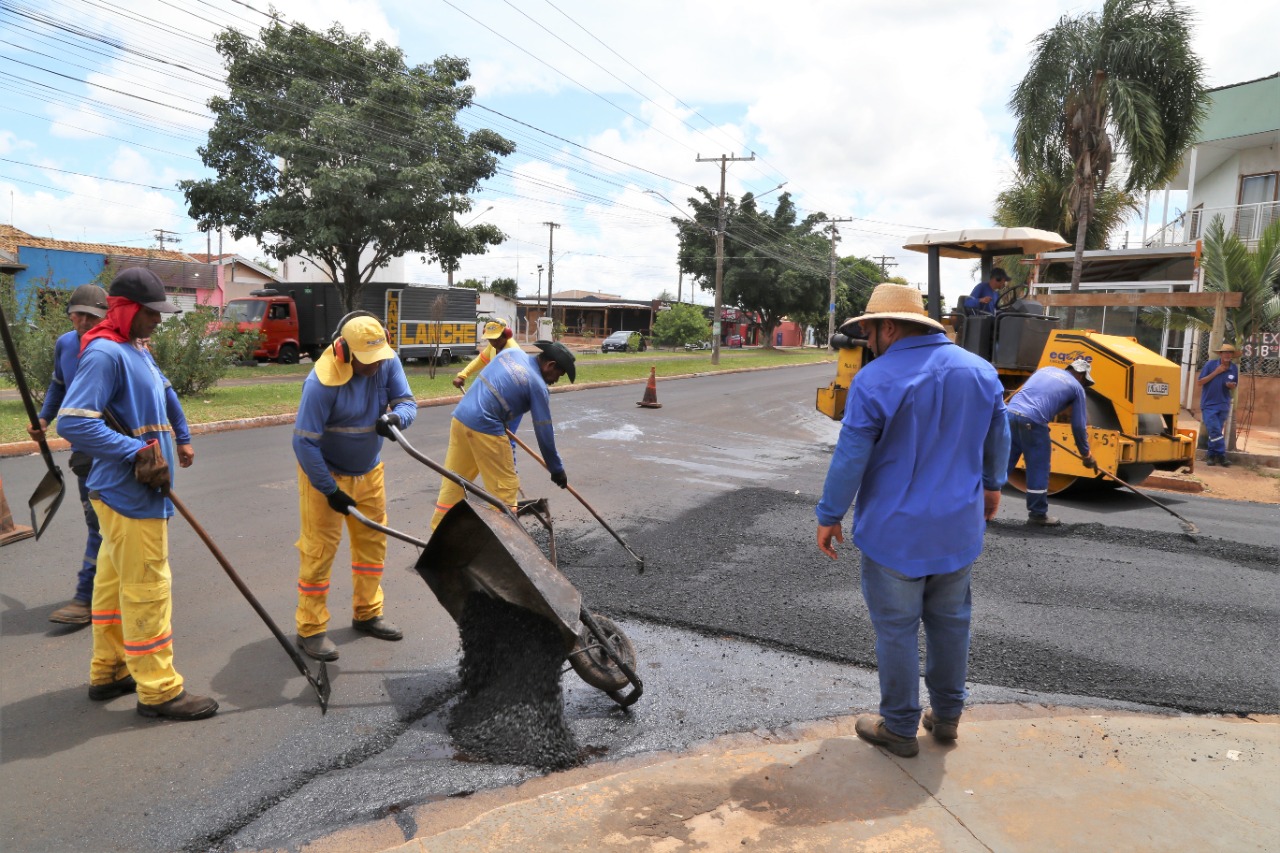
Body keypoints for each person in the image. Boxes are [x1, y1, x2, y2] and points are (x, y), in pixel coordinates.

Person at [815, 283, 1010, 758]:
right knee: (951, 622)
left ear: (885, 326)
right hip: (957, 529)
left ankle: (899, 727)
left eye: (868, 331)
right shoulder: (981, 371)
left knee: (897, 629)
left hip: (895, 533)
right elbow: (998, 435)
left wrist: (830, 514)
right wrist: (992, 485)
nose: (868, 340)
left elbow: (851, 454)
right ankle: (946, 717)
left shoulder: (876, 379)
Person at [57, 268, 216, 721]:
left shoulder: (135, 349)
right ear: (126, 310)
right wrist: (136, 451)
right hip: (130, 492)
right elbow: (73, 422)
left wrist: (178, 437)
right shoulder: (106, 354)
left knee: (110, 586)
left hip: (125, 490)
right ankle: (159, 689)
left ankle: (109, 671)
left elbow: (163, 397)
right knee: (149, 588)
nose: (159, 321)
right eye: (151, 313)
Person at [292, 313, 418, 662]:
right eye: (366, 361)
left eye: (378, 359)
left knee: (372, 545)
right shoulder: (321, 382)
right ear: (345, 351)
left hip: (369, 471)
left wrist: (397, 419)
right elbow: (304, 443)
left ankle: (367, 613)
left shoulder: (385, 362)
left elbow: (408, 402)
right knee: (319, 552)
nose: (374, 368)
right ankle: (311, 629)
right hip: (324, 475)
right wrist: (328, 490)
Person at [27, 284, 108, 624]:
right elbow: (59, 385)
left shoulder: (112, 347)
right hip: (85, 451)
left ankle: (88, 596)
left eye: (91, 315)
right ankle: (93, 594)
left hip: (117, 445)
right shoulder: (65, 344)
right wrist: (44, 417)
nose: (83, 321)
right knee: (98, 521)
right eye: (78, 314)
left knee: (108, 524)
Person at [430, 341, 574, 531]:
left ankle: (439, 535)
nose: (557, 379)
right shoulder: (538, 386)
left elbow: (496, 388)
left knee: (454, 481)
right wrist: (557, 469)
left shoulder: (512, 353)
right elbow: (544, 432)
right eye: (559, 374)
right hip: (485, 428)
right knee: (505, 489)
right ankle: (505, 543)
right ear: (551, 365)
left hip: (461, 418)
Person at [1005, 360, 1098, 526]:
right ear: (1081, 375)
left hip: (1010, 414)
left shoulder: (1045, 370)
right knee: (1038, 467)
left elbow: (1034, 397)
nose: (1083, 384)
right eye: (1084, 381)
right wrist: (1086, 455)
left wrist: (1039, 424)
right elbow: (1078, 426)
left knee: (1003, 464)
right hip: (1032, 421)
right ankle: (1038, 513)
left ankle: (978, 504)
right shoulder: (1077, 387)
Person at [1197, 342, 1239, 467]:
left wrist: (1231, 386)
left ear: (1232, 355)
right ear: (1220, 354)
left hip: (1223, 404)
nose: (1227, 355)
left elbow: (1234, 384)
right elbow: (1200, 382)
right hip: (1209, 404)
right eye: (1225, 352)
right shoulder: (1210, 365)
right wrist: (1216, 372)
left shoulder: (1234, 368)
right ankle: (1221, 455)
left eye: (1230, 353)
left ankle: (1211, 455)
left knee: (1215, 431)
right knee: (1215, 429)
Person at [452, 319, 521, 390]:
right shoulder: (493, 347)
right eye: (490, 339)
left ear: (506, 335)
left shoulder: (513, 351)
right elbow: (481, 360)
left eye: (497, 339)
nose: (494, 343)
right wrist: (462, 375)